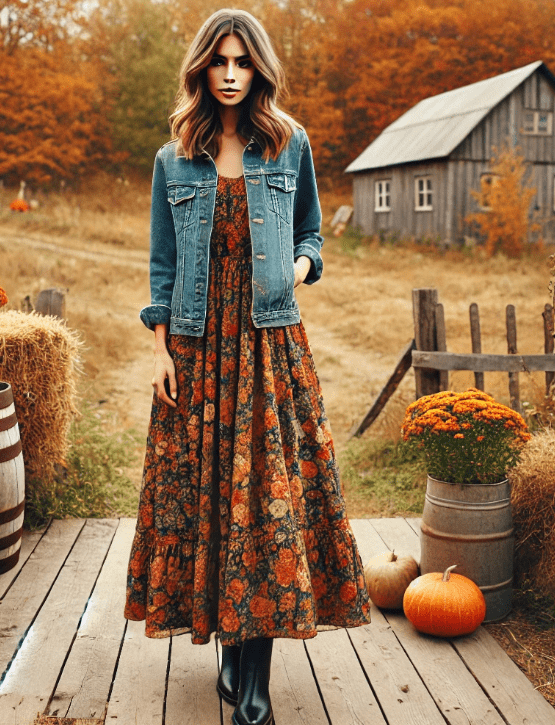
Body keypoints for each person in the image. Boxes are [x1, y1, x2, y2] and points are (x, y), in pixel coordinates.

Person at [124, 9, 370, 725]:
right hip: (199, 348)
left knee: (267, 503)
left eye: (242, 62)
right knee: (208, 502)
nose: (231, 74)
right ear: (202, 68)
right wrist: (163, 349)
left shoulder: (289, 144)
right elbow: (163, 266)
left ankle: (254, 679)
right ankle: (230, 651)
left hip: (269, 345)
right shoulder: (173, 159)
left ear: (258, 68)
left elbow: (313, 234)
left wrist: (296, 268)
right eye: (219, 62)